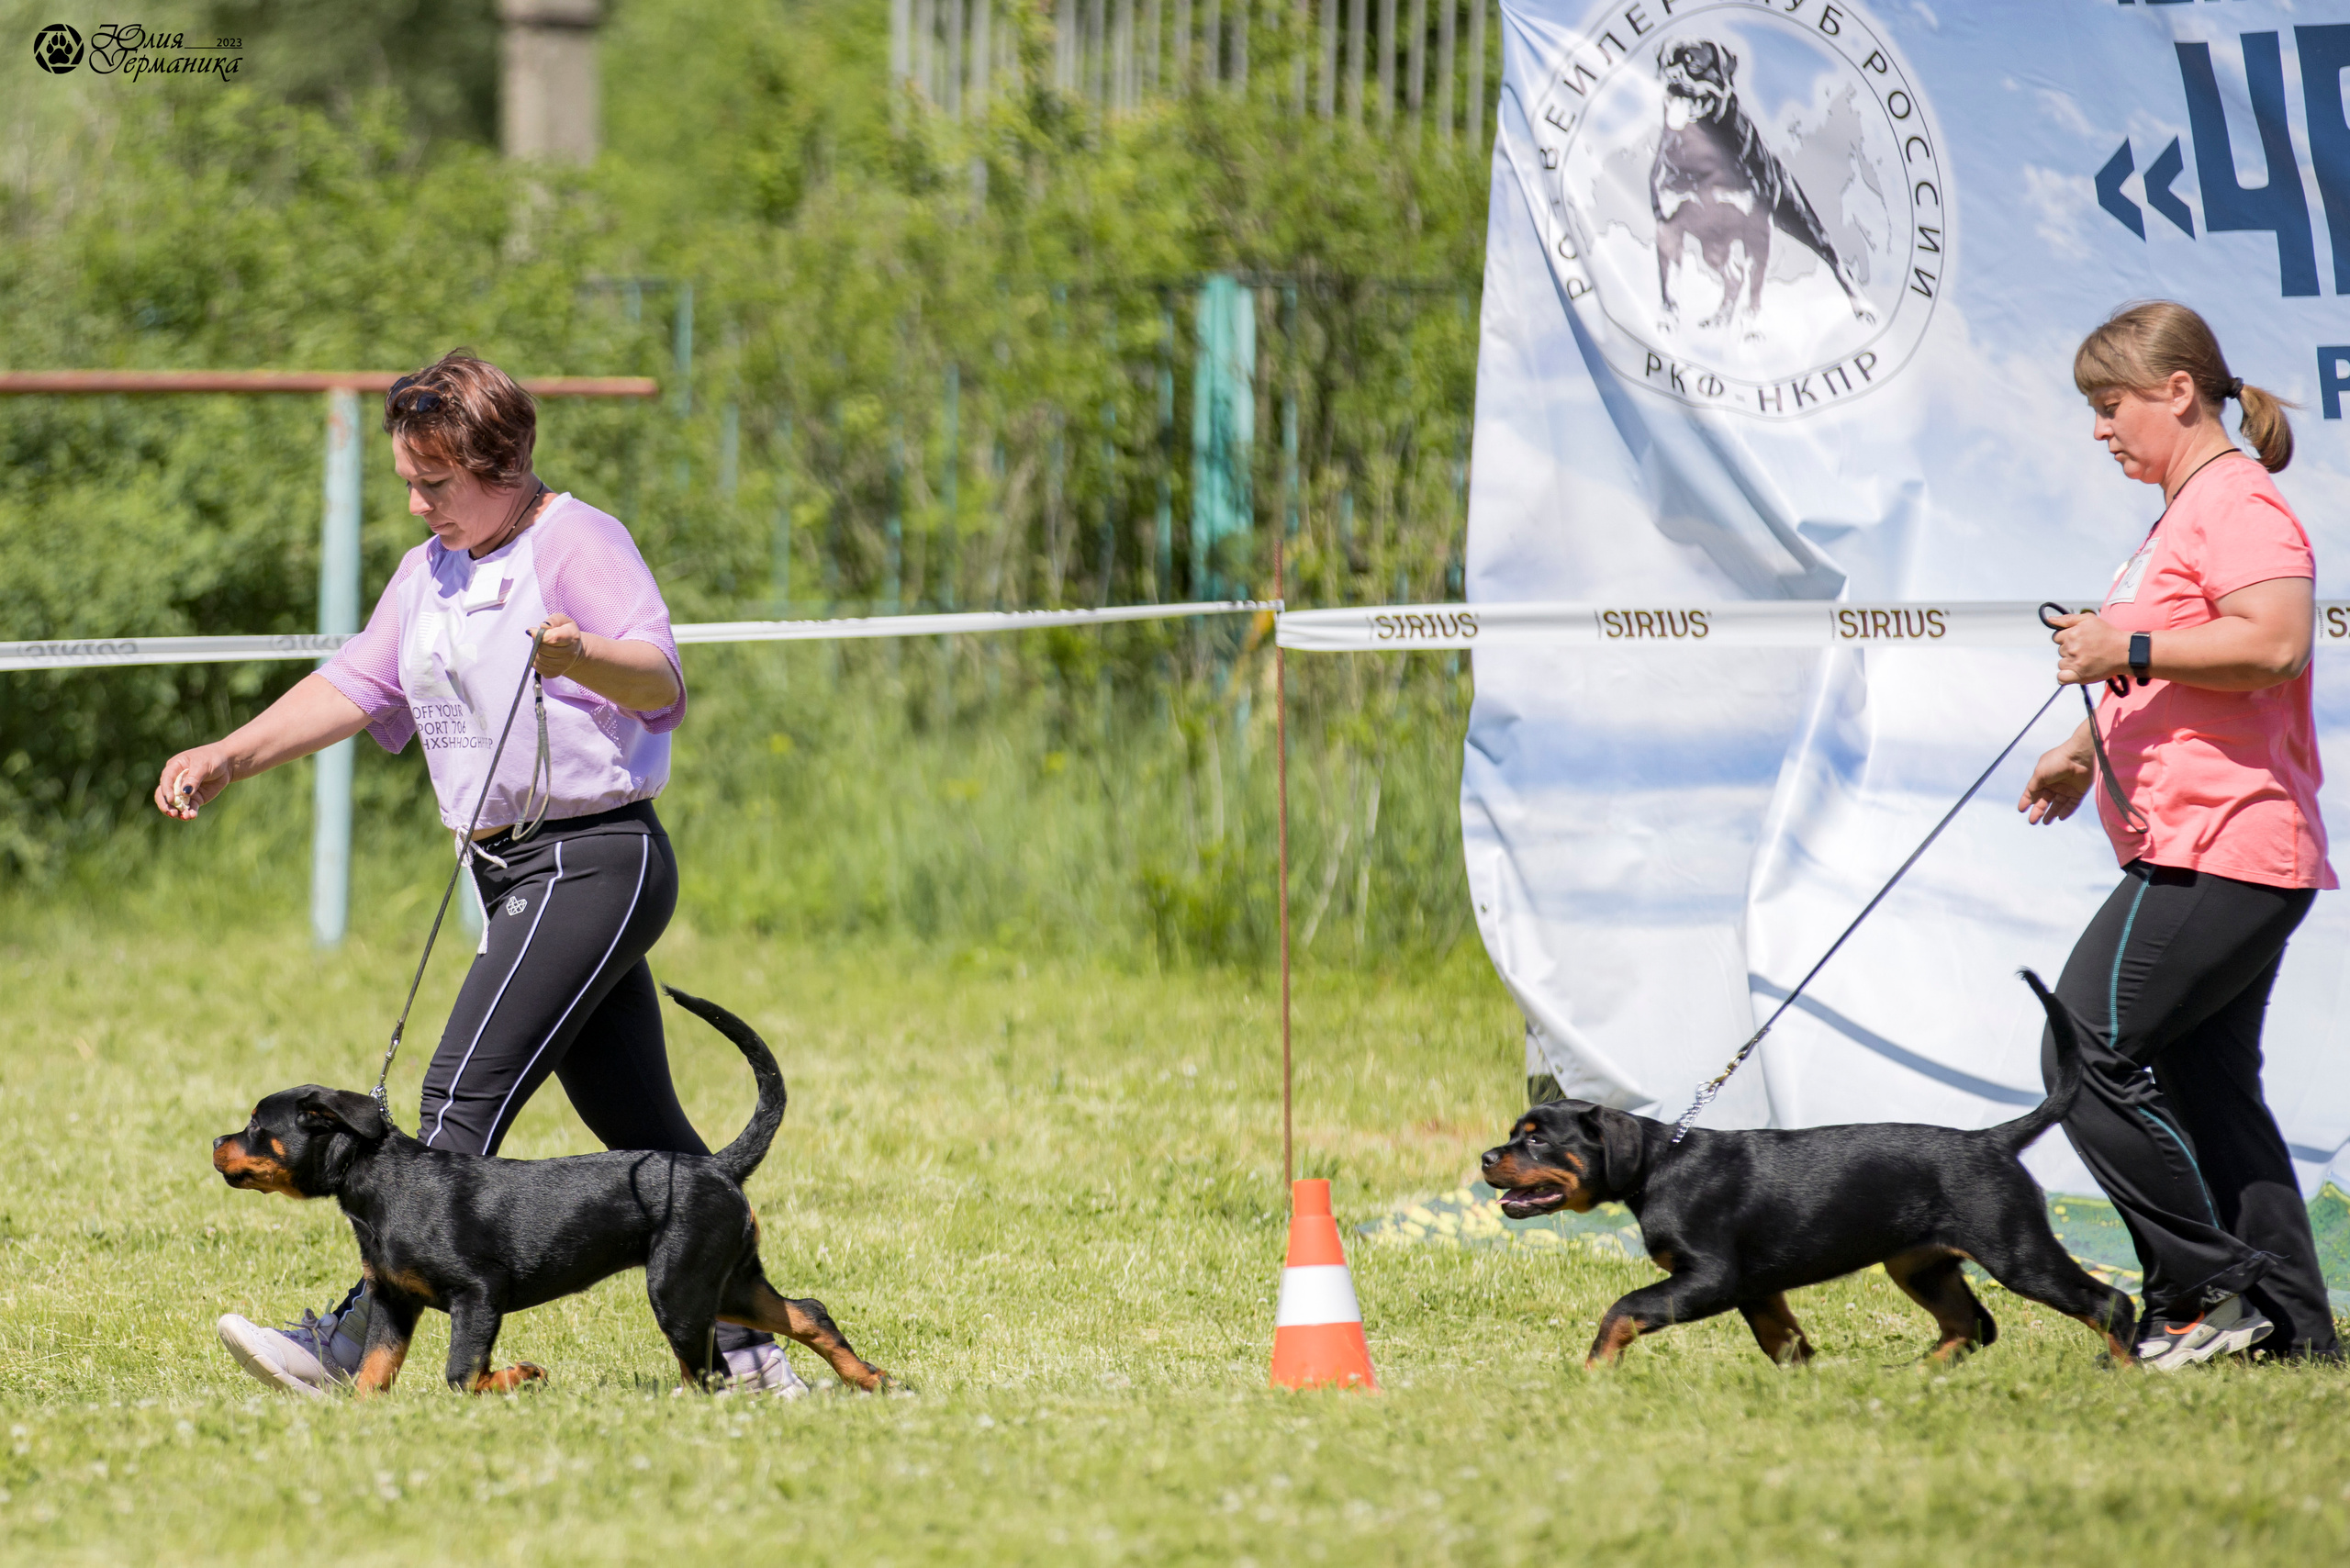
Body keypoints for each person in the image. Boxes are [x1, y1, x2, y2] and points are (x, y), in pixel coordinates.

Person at [156, 351, 803, 1395]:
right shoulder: (430, 570)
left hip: (597, 856)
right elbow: (357, 684)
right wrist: (230, 754)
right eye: (409, 481)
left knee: (455, 1097)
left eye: (437, 483)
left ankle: (350, 1344)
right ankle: (754, 1348)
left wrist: (581, 650)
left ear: (507, 462)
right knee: (651, 1144)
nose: (417, 503)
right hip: (514, 874)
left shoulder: (577, 539)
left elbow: (662, 679)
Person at [2020, 301, 2339, 1367]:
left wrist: (2127, 643)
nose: (2100, 430)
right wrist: (2082, 742)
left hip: (2225, 845)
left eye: (2108, 406)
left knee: (2081, 1047)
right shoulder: (2183, 512)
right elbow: (2185, 662)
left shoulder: (2239, 504)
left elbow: (2275, 641)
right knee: (2210, 1091)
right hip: (2222, 847)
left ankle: (2203, 1296)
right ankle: (2296, 1337)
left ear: (2176, 392)